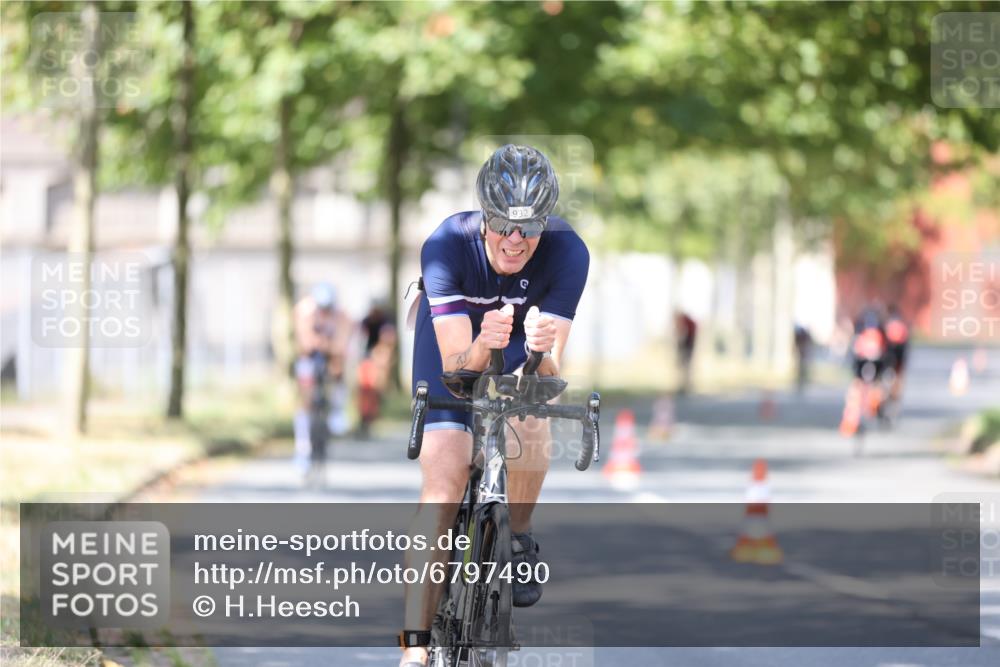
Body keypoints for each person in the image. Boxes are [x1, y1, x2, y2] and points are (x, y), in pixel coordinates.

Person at [398, 144, 589, 667]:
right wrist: (484, 344)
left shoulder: (568, 252)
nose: (514, 239)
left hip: (521, 344)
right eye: (503, 224)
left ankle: (518, 536)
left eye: (529, 228)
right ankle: (414, 646)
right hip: (455, 344)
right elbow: (457, 366)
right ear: (484, 217)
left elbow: (549, 378)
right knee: (444, 482)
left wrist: (541, 352)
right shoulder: (446, 245)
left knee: (533, 418)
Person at [291, 283, 353, 476]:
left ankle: (337, 409)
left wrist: (331, 347)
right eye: (322, 309)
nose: (325, 312)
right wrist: (320, 343)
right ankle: (302, 449)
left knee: (339, 363)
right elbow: (306, 343)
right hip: (310, 356)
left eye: (328, 309)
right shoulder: (304, 310)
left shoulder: (341, 315)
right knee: (306, 398)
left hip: (331, 355)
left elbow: (342, 344)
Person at [839, 304, 888, 437]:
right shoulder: (876, 332)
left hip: (867, 364)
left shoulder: (866, 331)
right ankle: (867, 412)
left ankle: (857, 417)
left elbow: (854, 352)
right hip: (869, 364)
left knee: (858, 390)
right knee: (865, 389)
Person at [356, 301, 397, 438]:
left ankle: (370, 418)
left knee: (374, 391)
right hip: (367, 358)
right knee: (364, 391)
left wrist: (382, 359)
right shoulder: (366, 322)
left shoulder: (385, 322)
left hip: (376, 359)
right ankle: (364, 419)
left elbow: (388, 341)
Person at [883, 305, 910, 403]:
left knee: (889, 372)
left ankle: (890, 390)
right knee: (897, 373)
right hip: (899, 351)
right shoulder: (900, 323)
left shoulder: (888, 323)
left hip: (890, 352)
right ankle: (894, 392)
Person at [675, 311, 697, 394]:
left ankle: (684, 386)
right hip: (689, 347)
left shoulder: (684, 322)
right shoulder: (689, 322)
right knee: (686, 367)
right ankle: (686, 385)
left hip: (686, 348)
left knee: (684, 367)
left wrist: (679, 346)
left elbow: (682, 335)